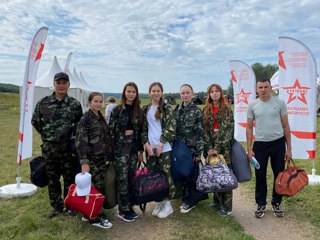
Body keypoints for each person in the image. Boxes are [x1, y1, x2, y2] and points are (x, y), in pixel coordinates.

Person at [31, 72, 83, 218]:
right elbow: (35, 121)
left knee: (69, 179)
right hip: (50, 149)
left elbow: (79, 125)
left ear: (68, 85)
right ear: (53, 84)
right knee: (53, 180)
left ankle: (70, 206)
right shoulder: (43, 103)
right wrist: (47, 135)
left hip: (68, 149)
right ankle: (56, 207)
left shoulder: (74, 104)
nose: (61, 85)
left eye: (64, 83)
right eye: (58, 82)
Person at [246, 78, 292, 218]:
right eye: (260, 87)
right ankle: (261, 204)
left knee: (279, 175)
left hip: (278, 144)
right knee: (260, 175)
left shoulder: (280, 103)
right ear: (256, 89)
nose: (263, 90)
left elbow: (286, 126)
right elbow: (248, 128)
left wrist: (288, 148)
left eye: (266, 87)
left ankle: (276, 203)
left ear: (271, 87)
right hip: (260, 145)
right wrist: (249, 149)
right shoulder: (252, 105)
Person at [75, 92, 113, 229]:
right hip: (92, 160)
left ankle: (89, 213)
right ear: (89, 102)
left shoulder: (100, 117)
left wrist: (109, 156)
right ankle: (95, 218)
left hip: (102, 159)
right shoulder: (85, 119)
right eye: (95, 101)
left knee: (99, 187)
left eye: (100, 101)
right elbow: (81, 142)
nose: (98, 103)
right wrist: (84, 163)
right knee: (94, 188)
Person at [109, 82, 144, 222]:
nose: (131, 94)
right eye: (128, 91)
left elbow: (141, 132)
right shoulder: (117, 110)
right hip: (120, 150)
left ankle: (129, 205)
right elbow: (111, 131)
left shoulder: (138, 111)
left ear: (136, 94)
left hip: (133, 149)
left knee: (130, 177)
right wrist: (111, 151)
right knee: (122, 179)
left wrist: (141, 151)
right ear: (124, 93)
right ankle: (123, 210)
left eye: (133, 92)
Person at [142, 82, 176, 218]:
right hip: (151, 148)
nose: (156, 93)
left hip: (164, 148)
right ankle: (159, 201)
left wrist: (161, 144)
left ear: (162, 93)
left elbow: (171, 128)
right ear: (149, 93)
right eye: (153, 91)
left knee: (165, 175)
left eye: (158, 91)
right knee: (154, 175)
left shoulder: (167, 108)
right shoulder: (146, 109)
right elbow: (143, 129)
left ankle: (168, 205)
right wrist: (147, 145)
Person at [203, 84, 235, 217]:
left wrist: (217, 148)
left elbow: (227, 131)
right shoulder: (206, 109)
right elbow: (203, 129)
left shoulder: (226, 109)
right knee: (213, 174)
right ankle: (216, 200)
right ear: (209, 94)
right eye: (212, 92)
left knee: (224, 175)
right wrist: (209, 148)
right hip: (210, 146)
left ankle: (227, 207)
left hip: (223, 147)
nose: (215, 94)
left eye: (217, 91)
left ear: (221, 94)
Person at [174, 84, 205, 213]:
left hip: (191, 148)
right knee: (181, 173)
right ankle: (183, 196)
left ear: (192, 94)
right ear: (180, 94)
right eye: (183, 93)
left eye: (187, 93)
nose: (185, 95)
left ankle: (191, 201)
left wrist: (199, 152)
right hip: (179, 147)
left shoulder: (197, 111)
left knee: (192, 174)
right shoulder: (177, 109)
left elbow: (200, 132)